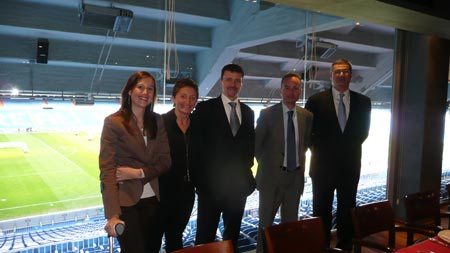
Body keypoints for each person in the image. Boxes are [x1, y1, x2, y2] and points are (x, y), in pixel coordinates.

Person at [99, 71, 171, 253]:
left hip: (153, 200)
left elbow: (165, 161)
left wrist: (138, 173)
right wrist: (113, 215)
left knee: (152, 249)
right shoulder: (113, 122)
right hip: (126, 201)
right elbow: (107, 170)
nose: (145, 92)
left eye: (150, 89)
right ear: (129, 90)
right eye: (140, 87)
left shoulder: (157, 121)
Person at [305, 59, 371, 250]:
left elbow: (363, 132)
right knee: (320, 211)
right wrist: (324, 152)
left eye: (346, 71)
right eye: (338, 72)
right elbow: (308, 133)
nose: (341, 75)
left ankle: (345, 247)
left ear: (351, 75)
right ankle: (321, 247)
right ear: (331, 75)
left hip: (350, 167)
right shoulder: (315, 101)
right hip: (322, 167)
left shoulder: (363, 102)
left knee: (347, 211)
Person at [191, 63, 256, 251]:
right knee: (205, 237)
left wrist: (247, 178)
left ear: (242, 84)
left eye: (237, 81)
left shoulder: (248, 112)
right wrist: (201, 183)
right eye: (229, 79)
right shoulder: (205, 109)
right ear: (221, 81)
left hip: (238, 189)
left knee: (232, 237)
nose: (233, 84)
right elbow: (197, 148)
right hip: (210, 189)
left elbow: (249, 148)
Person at [254, 73, 313, 253]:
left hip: (294, 180)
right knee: (265, 226)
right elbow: (256, 147)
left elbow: (305, 144)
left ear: (300, 91)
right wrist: (270, 167)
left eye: (295, 88)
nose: (291, 92)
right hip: (271, 180)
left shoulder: (307, 116)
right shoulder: (266, 114)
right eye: (287, 87)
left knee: (290, 228)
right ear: (280, 90)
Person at [158, 78, 198, 252]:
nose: (187, 102)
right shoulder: (160, 123)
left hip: (187, 193)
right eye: (183, 96)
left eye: (192, 98)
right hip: (163, 192)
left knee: (176, 237)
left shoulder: (197, 124)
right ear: (174, 98)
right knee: (154, 238)